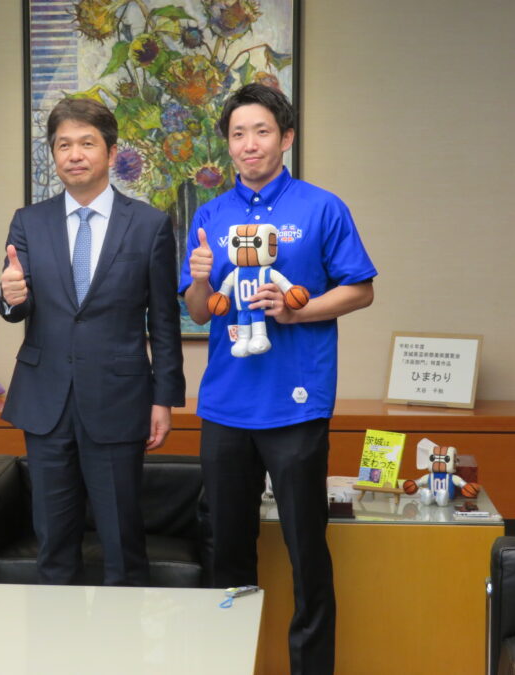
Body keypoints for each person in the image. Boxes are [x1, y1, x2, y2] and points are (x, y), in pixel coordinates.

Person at [179, 84, 376, 675]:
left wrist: (298, 311)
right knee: (227, 552)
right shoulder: (210, 216)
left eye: (261, 131)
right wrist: (198, 279)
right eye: (238, 134)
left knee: (305, 551)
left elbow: (361, 289)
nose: (249, 144)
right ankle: (229, 662)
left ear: (285, 137)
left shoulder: (322, 207)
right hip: (226, 404)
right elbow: (197, 312)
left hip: (296, 404)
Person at [0, 98, 185, 586]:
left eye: (86, 143)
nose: (74, 154)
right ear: (53, 154)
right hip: (45, 398)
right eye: (63, 145)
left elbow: (164, 321)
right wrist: (8, 296)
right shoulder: (29, 221)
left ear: (111, 151)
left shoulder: (149, 225)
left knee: (123, 541)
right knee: (52, 542)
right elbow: (14, 302)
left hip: (120, 398)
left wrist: (164, 398)